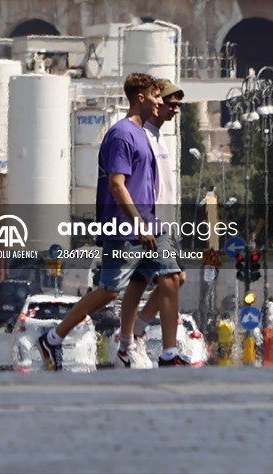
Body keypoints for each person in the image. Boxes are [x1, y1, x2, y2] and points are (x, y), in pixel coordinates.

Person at [39, 73, 186, 370]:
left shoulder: (144, 135)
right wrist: (139, 223)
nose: (161, 103)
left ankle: (169, 354)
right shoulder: (122, 134)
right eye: (157, 97)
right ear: (141, 99)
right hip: (125, 227)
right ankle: (54, 337)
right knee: (109, 290)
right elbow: (118, 185)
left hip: (151, 225)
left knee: (171, 278)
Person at [114, 78, 188, 369]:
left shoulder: (160, 138)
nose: (175, 110)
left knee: (144, 280)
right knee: (171, 279)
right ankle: (168, 352)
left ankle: (130, 335)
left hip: (164, 223)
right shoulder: (141, 135)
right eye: (171, 104)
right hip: (150, 222)